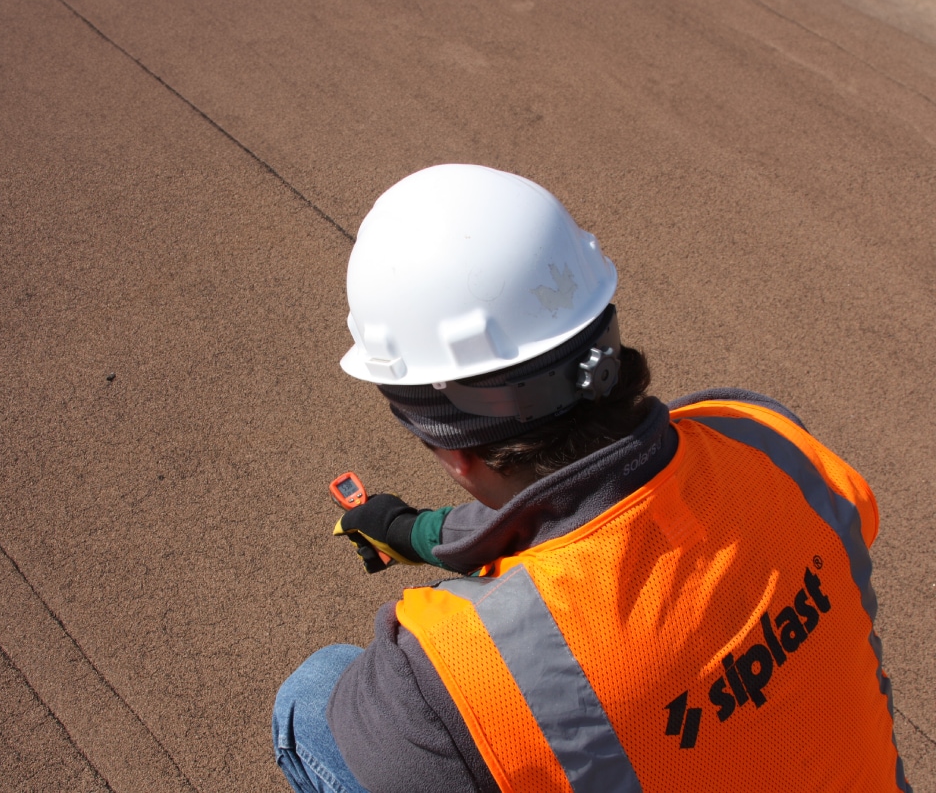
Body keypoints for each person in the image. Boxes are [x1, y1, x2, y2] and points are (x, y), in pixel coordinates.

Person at [272, 164, 911, 793]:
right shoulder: (767, 441)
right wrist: (415, 531)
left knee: (312, 693)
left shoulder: (447, 675)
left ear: (453, 447)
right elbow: (587, 498)